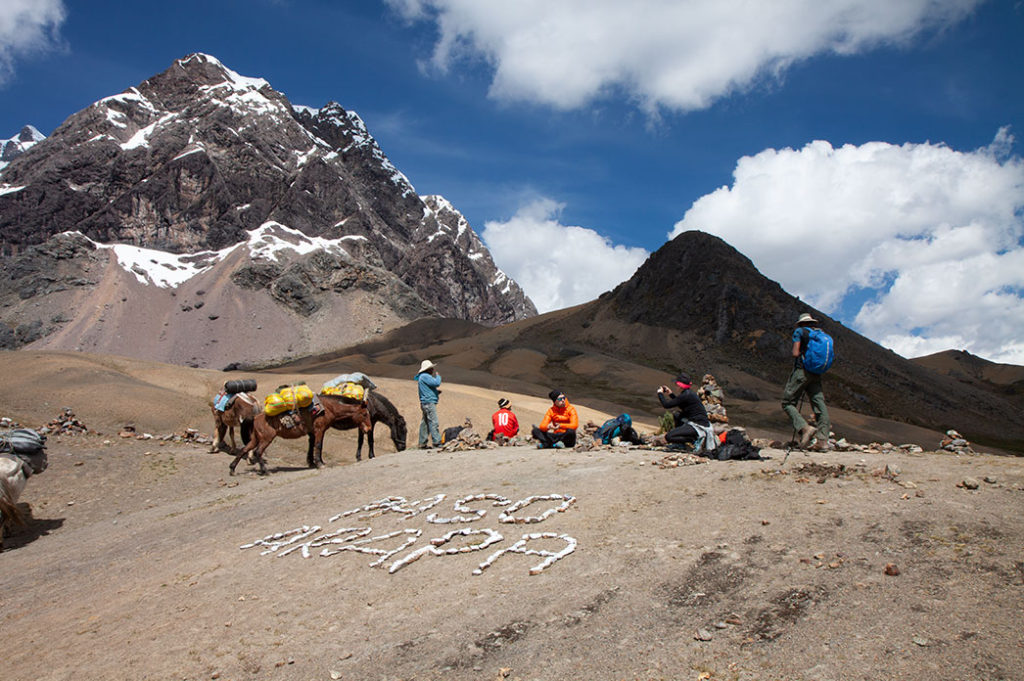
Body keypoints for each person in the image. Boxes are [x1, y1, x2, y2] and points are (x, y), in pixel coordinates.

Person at [782, 312, 831, 450]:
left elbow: (795, 353)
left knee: (787, 402)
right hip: (816, 373)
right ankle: (823, 441)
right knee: (819, 405)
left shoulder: (800, 332)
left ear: (801, 323)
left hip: (802, 371)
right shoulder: (820, 335)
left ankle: (804, 428)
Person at [656, 372, 716, 452]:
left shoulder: (685, 395)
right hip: (699, 422)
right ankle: (681, 443)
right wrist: (670, 394)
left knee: (669, 437)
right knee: (677, 415)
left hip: (698, 426)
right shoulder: (688, 393)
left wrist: (660, 393)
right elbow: (680, 403)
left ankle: (694, 440)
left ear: (680, 385)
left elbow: (666, 405)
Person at [415, 359, 442, 449]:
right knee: (433, 421)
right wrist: (438, 376)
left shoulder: (422, 377)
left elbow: (427, 389)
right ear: (427, 369)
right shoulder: (425, 376)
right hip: (429, 403)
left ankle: (422, 443)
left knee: (425, 423)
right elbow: (437, 383)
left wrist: (435, 393)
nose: (433, 370)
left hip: (425, 403)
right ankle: (437, 442)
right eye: (431, 368)